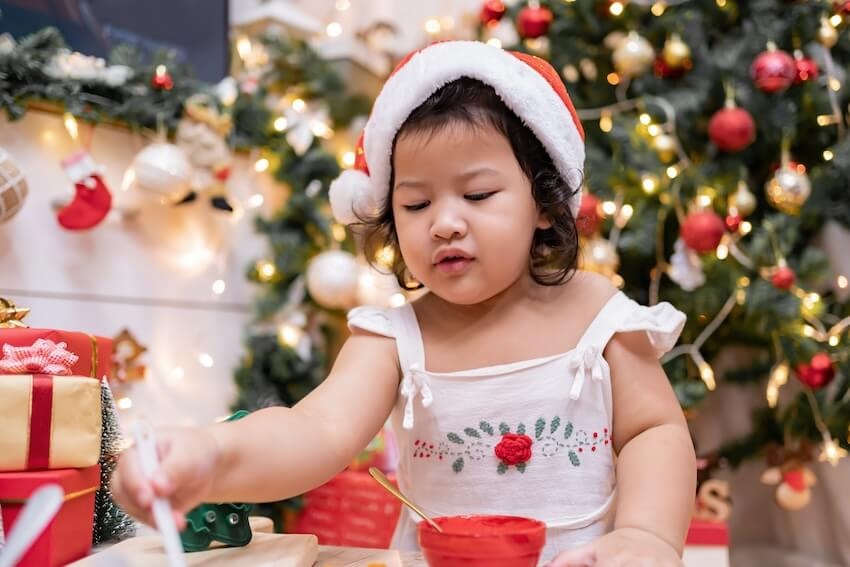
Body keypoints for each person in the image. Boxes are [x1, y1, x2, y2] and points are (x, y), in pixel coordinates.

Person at [113, 41, 695, 566]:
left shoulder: (597, 313)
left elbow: (653, 432)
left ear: (544, 203)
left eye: (477, 194)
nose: (444, 223)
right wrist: (209, 453)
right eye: (415, 205)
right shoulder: (393, 338)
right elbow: (313, 432)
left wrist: (648, 536)